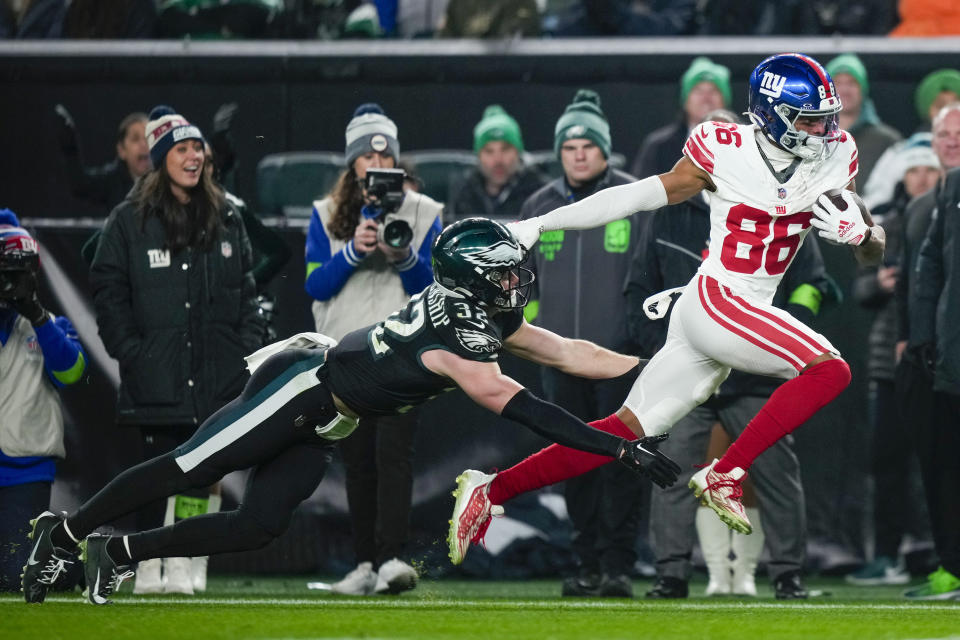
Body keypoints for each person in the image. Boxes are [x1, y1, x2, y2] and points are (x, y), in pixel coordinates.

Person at [21, 217, 680, 606]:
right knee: (189, 465)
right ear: (476, 278)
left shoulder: (479, 314)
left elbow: (570, 352)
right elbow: (535, 411)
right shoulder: (457, 344)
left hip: (330, 414)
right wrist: (619, 446)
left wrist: (654, 369)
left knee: (258, 524)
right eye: (505, 273)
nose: (516, 282)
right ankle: (68, 533)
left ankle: (122, 550)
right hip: (304, 385)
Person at [448, 52, 887, 567]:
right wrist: (540, 224)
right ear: (771, 114)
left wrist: (863, 235)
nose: (824, 129)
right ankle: (726, 472)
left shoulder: (838, 154)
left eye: (826, 116)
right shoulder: (724, 149)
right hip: (719, 298)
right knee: (830, 370)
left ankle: (491, 490)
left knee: (621, 428)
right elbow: (635, 197)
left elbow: (869, 246)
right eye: (809, 118)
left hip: (733, 311)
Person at [625, 111, 829, 601]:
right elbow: (638, 290)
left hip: (754, 372)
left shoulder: (784, 205)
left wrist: (785, 342)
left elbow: (814, 286)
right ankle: (671, 573)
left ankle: (787, 573)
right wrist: (662, 351)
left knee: (777, 474)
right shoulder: (668, 212)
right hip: (692, 365)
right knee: (669, 467)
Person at [87, 105, 265, 597]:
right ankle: (145, 565)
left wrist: (244, 349)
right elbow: (106, 286)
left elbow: (248, 292)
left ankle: (186, 560)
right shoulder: (129, 219)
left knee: (202, 469)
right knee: (152, 473)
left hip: (217, 371)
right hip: (156, 371)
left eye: (198, 148)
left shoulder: (227, 214)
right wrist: (129, 349)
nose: (193, 157)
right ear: (162, 156)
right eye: (182, 148)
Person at [304, 103, 443, 595]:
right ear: (353, 164)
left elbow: (434, 288)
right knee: (357, 459)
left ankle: (391, 558)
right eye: (366, 158)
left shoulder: (425, 212)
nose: (375, 166)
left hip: (405, 349)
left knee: (395, 454)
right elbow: (315, 286)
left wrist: (403, 255)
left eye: (384, 158)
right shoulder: (325, 213)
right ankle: (363, 562)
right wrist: (352, 251)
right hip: (348, 352)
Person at [519, 88, 647, 598]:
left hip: (617, 359)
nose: (578, 152)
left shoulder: (634, 201)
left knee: (622, 459)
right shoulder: (538, 206)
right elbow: (519, 280)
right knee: (574, 460)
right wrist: (535, 329)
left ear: (603, 149)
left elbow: (649, 276)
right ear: (559, 152)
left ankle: (618, 563)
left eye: (587, 144)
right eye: (569, 145)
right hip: (558, 359)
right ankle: (586, 561)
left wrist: (636, 338)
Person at [847, 134, 941, 587]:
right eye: (914, 169)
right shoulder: (885, 225)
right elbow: (860, 290)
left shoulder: (948, 219)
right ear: (903, 176)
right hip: (890, 362)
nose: (922, 177)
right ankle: (886, 554)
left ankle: (934, 554)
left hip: (942, 359)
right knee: (887, 463)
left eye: (929, 169)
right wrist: (882, 283)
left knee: (938, 465)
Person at [0, 210, 86, 594]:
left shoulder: (51, 325)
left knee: (13, 576)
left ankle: (63, 561)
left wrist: (34, 313)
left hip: (24, 472)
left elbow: (73, 373)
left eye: (16, 273)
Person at [900, 164, 960, 600]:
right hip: (952, 352)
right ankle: (954, 566)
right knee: (947, 467)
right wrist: (922, 333)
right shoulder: (954, 185)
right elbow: (931, 259)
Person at [630, 57, 730, 179]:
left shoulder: (748, 142)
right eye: (698, 91)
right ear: (685, 100)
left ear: (724, 100)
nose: (706, 98)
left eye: (713, 91)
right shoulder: (659, 146)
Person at [446, 105, 545, 223]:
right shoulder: (463, 192)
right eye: (489, 151)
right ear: (479, 156)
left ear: (518, 152)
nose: (498, 160)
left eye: (505, 149)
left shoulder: (541, 192)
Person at [55, 107, 150, 215]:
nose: (144, 144)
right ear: (121, 150)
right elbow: (80, 185)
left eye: (148, 138)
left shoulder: (165, 180)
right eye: (135, 139)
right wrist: (70, 148)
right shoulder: (113, 180)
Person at [825, 53, 901, 187]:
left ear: (863, 89)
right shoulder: (809, 137)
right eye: (838, 83)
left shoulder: (887, 141)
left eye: (852, 83)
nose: (844, 90)